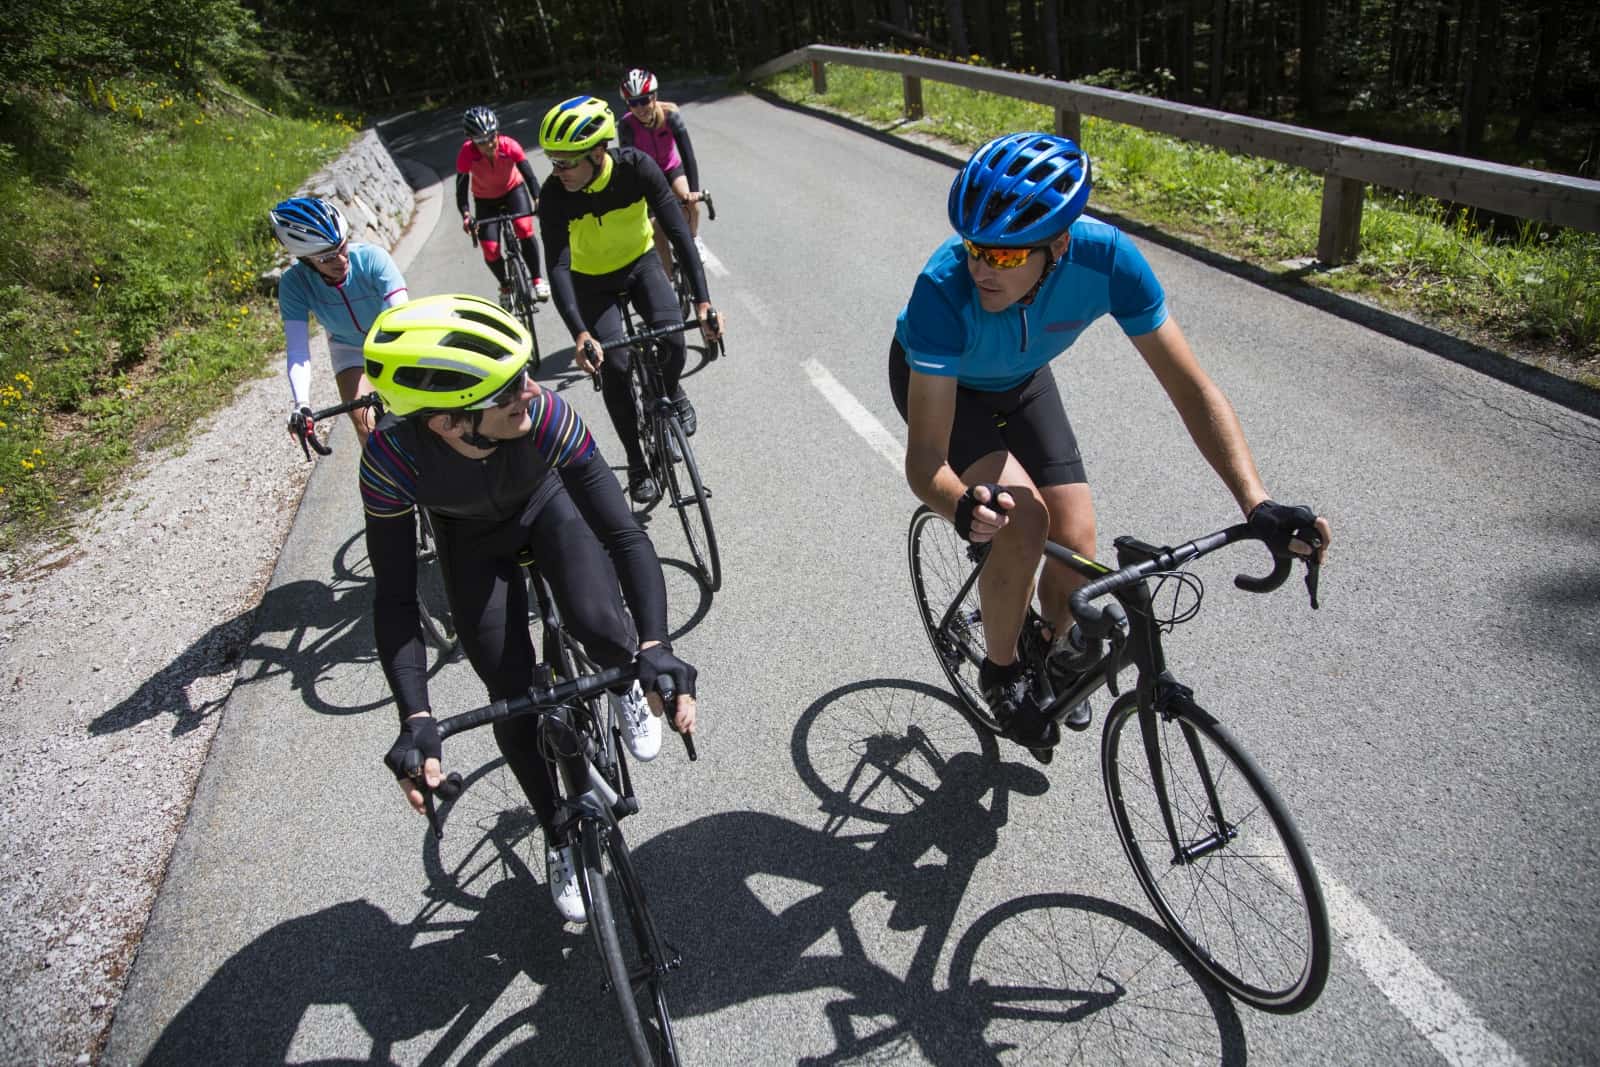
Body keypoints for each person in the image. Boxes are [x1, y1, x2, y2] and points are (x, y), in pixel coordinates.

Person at [891, 132, 1331, 756]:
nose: (982, 268)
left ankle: (1044, 646)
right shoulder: (942, 291)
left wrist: (1254, 502)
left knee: (1077, 550)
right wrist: (962, 505)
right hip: (944, 388)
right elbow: (924, 459)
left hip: (1021, 381)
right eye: (974, 248)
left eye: (1008, 257)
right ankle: (999, 669)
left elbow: (1191, 388)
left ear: (1059, 245)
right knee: (1023, 521)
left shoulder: (1109, 261)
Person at [360, 293, 699, 925]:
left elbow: (625, 535)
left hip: (547, 505)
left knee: (602, 626)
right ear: (446, 422)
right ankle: (558, 831)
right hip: (469, 541)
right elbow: (398, 598)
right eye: (507, 390)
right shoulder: (391, 459)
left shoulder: (542, 414)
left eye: (522, 373)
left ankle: (620, 670)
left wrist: (653, 644)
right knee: (509, 689)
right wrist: (416, 715)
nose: (530, 389)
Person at [535, 95, 725, 505]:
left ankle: (672, 392)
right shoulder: (554, 195)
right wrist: (581, 333)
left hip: (640, 265)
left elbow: (679, 234)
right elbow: (558, 267)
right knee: (616, 366)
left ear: (599, 151)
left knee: (673, 341)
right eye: (553, 161)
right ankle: (637, 462)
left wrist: (704, 303)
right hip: (591, 282)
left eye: (567, 161)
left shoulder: (637, 168)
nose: (558, 171)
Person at [270, 197, 407, 443]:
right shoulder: (294, 284)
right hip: (349, 351)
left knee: (423, 413)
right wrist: (302, 403)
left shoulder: (373, 259)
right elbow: (298, 350)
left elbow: (400, 316)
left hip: (391, 341)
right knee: (366, 427)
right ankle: (388, 481)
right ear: (306, 260)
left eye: (342, 247)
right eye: (326, 258)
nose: (341, 261)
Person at [457, 105, 551, 308]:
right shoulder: (467, 154)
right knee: (490, 250)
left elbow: (529, 175)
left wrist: (537, 197)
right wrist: (466, 215)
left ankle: (537, 279)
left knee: (524, 229)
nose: (489, 144)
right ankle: (505, 286)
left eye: (491, 137)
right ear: (472, 140)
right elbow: (461, 189)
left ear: (497, 132)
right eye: (481, 141)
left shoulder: (509, 146)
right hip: (485, 200)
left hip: (513, 191)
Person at [616, 68, 707, 273]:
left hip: (671, 168)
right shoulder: (626, 125)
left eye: (645, 100)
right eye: (633, 103)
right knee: (656, 231)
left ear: (654, 97)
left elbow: (687, 155)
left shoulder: (670, 115)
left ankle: (693, 239)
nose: (640, 107)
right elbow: (627, 166)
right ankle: (668, 281)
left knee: (690, 201)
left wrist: (694, 190)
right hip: (645, 178)